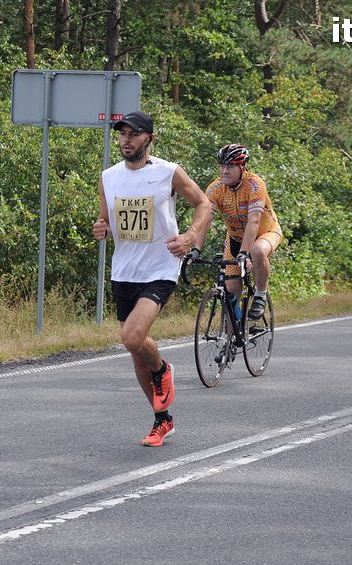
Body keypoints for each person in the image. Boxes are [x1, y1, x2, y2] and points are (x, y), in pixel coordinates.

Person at [93, 110, 210, 447]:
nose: (126, 140)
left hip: (160, 268)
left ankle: (161, 370)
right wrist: (101, 228)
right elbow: (105, 221)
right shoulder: (108, 177)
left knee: (132, 337)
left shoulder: (168, 172)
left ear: (150, 139)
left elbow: (203, 204)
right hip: (124, 271)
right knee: (135, 350)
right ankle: (162, 420)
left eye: (134, 134)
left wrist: (189, 237)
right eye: (122, 134)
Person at [188, 143, 283, 320]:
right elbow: (205, 221)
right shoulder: (215, 189)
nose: (225, 171)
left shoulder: (255, 185)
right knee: (231, 292)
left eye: (230, 166)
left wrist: (244, 253)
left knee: (257, 251)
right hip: (235, 239)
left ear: (242, 168)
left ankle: (260, 294)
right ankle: (232, 335)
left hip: (266, 233)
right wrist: (196, 249)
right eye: (222, 166)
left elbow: (254, 221)